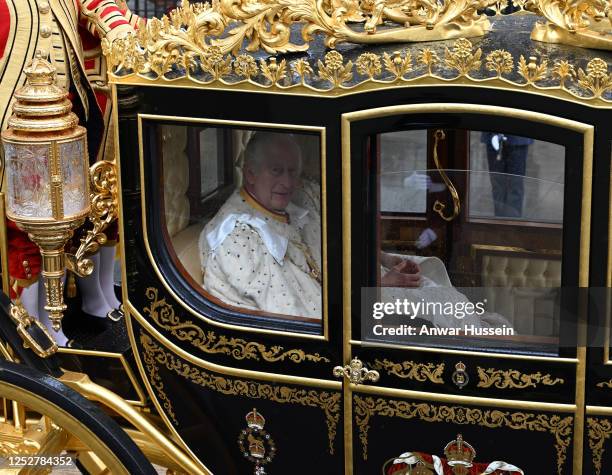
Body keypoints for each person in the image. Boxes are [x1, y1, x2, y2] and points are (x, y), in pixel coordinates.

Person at [199, 132, 510, 330]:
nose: (287, 182)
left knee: (437, 290)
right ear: (251, 173)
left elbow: (340, 239)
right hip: (340, 321)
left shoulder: (295, 197)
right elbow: (297, 317)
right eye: (276, 171)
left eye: (292, 171)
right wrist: (377, 287)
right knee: (437, 311)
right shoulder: (238, 240)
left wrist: (384, 261)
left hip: (353, 297)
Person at [0, 0, 143, 344]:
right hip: (15, 116)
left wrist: (127, 32)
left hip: (70, 113)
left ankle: (55, 320)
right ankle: (30, 328)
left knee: (69, 214)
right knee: (23, 227)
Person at [481, 132, 534, 218]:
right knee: (497, 186)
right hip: (493, 134)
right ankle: (499, 222)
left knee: (515, 185)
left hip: (518, 136)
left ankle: (513, 224)